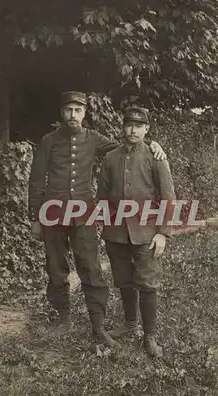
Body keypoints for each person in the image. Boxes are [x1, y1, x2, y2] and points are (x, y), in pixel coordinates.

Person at [28, 91, 166, 349]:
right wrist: (36, 217)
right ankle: (64, 318)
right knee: (56, 268)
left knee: (91, 269)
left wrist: (153, 145)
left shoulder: (93, 139)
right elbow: (36, 181)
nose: (73, 115)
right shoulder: (48, 141)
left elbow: (126, 148)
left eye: (78, 110)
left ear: (84, 113)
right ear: (62, 112)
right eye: (68, 110)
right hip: (53, 214)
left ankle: (98, 326)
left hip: (84, 215)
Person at [97, 106, 176, 357]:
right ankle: (130, 324)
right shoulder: (111, 158)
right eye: (128, 125)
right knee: (123, 280)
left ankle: (150, 337)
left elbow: (168, 196)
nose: (132, 129)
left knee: (148, 283)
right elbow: (102, 195)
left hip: (146, 233)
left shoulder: (156, 157)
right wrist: (103, 224)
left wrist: (163, 232)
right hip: (116, 232)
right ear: (123, 128)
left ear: (146, 130)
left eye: (138, 126)